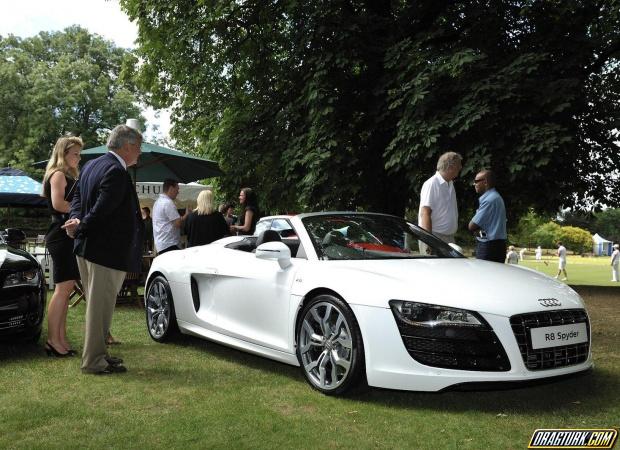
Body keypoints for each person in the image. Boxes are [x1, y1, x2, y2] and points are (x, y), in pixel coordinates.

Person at [63, 124, 144, 375]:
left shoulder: (90, 165)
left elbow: (75, 199)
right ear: (128, 146)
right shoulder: (116, 171)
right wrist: (81, 225)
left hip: (88, 248)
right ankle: (93, 361)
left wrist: (76, 221)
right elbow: (103, 208)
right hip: (104, 250)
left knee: (100, 305)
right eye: (138, 148)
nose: (139, 153)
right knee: (100, 306)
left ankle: (99, 355)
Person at [42, 136, 83, 357]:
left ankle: (61, 339)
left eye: (79, 154)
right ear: (63, 153)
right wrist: (81, 211)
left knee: (65, 289)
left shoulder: (65, 175)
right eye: (75, 153)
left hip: (65, 234)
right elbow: (58, 204)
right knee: (61, 290)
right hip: (60, 234)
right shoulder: (58, 174)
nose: (78, 157)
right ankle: (53, 340)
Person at [418, 152, 462, 244]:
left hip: (447, 237)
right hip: (434, 237)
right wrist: (429, 241)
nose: (460, 167)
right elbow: (425, 213)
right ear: (450, 167)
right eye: (458, 165)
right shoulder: (431, 184)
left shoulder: (450, 184)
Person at [468, 169, 507, 263]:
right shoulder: (495, 197)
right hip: (496, 245)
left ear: (485, 182)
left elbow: (471, 226)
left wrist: (477, 230)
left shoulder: (489, 200)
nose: (474, 184)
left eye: (476, 181)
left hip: (489, 247)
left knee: (484, 275)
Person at [152, 178, 187, 254]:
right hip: (170, 244)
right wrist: (186, 215)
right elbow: (177, 223)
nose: (178, 192)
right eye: (177, 189)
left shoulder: (157, 202)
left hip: (161, 244)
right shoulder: (168, 203)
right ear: (171, 188)